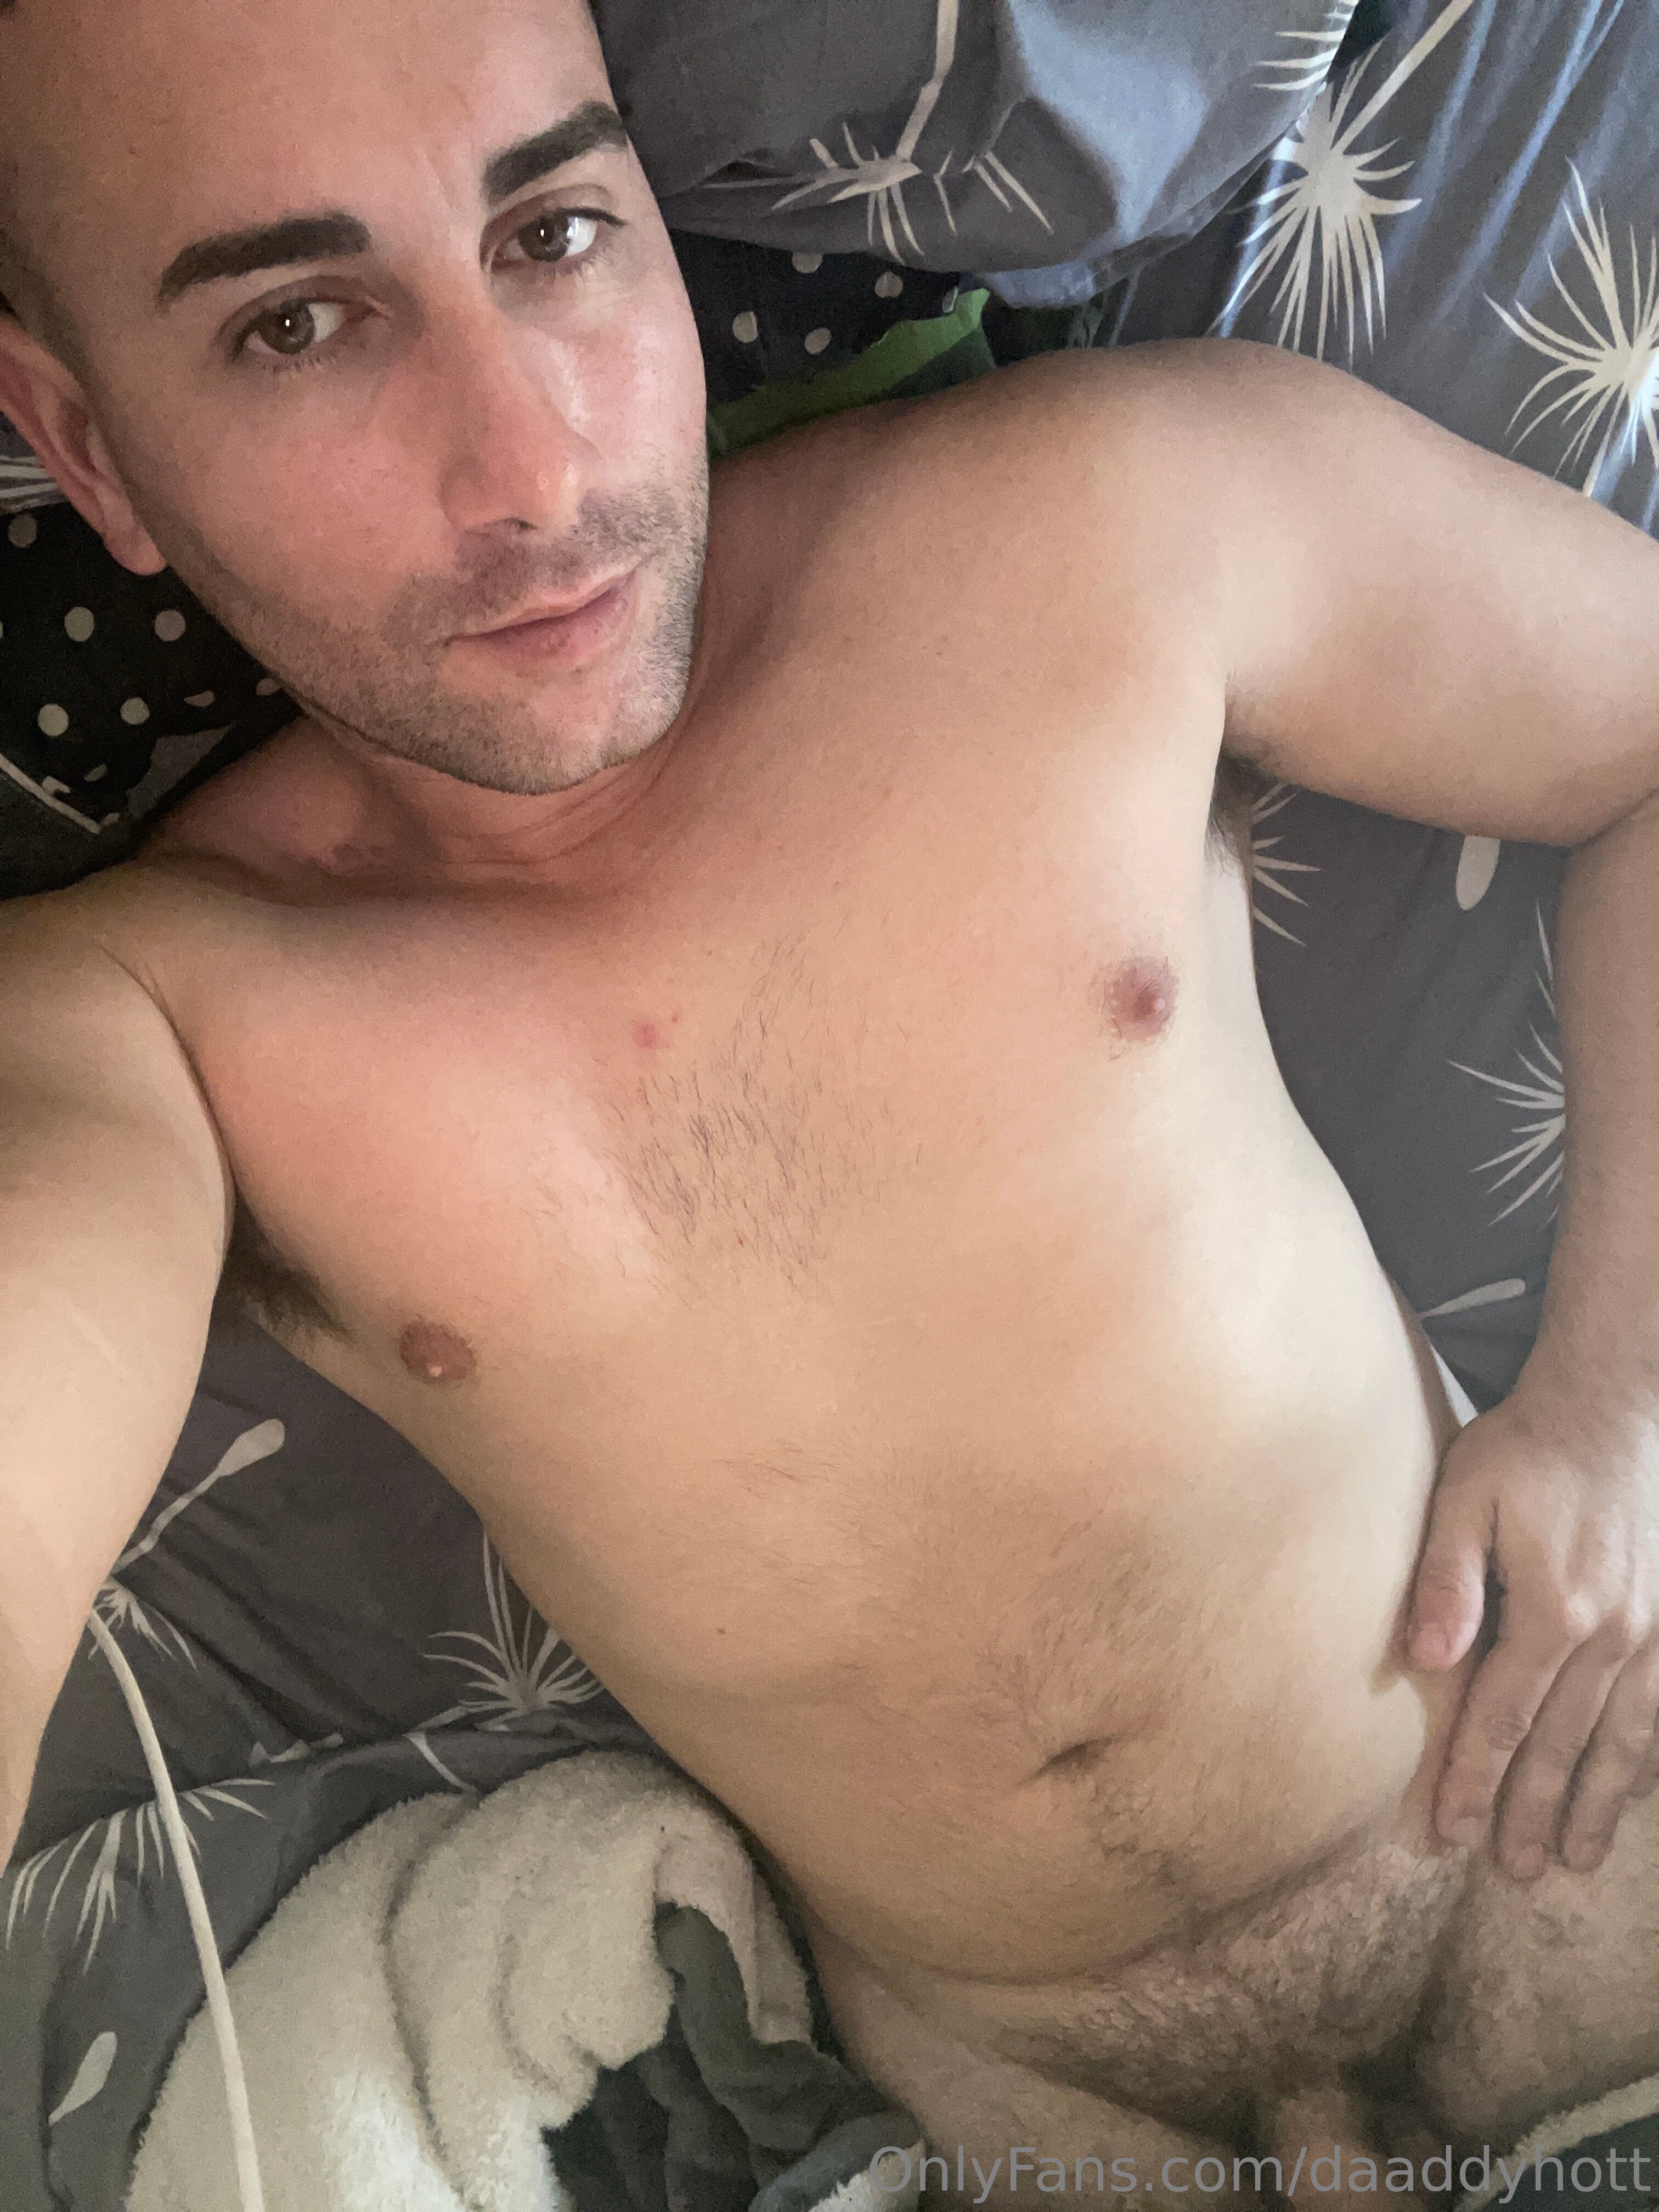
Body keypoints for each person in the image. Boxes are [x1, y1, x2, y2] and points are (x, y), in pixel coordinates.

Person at [1, 0, 1657, 2183]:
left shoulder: (1096, 526)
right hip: (1007, 2124)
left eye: (555, 232)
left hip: (1595, 1858)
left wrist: (1619, 1393)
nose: (535, 473)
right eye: (296, 325)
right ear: (88, 450)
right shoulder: (148, 1015)